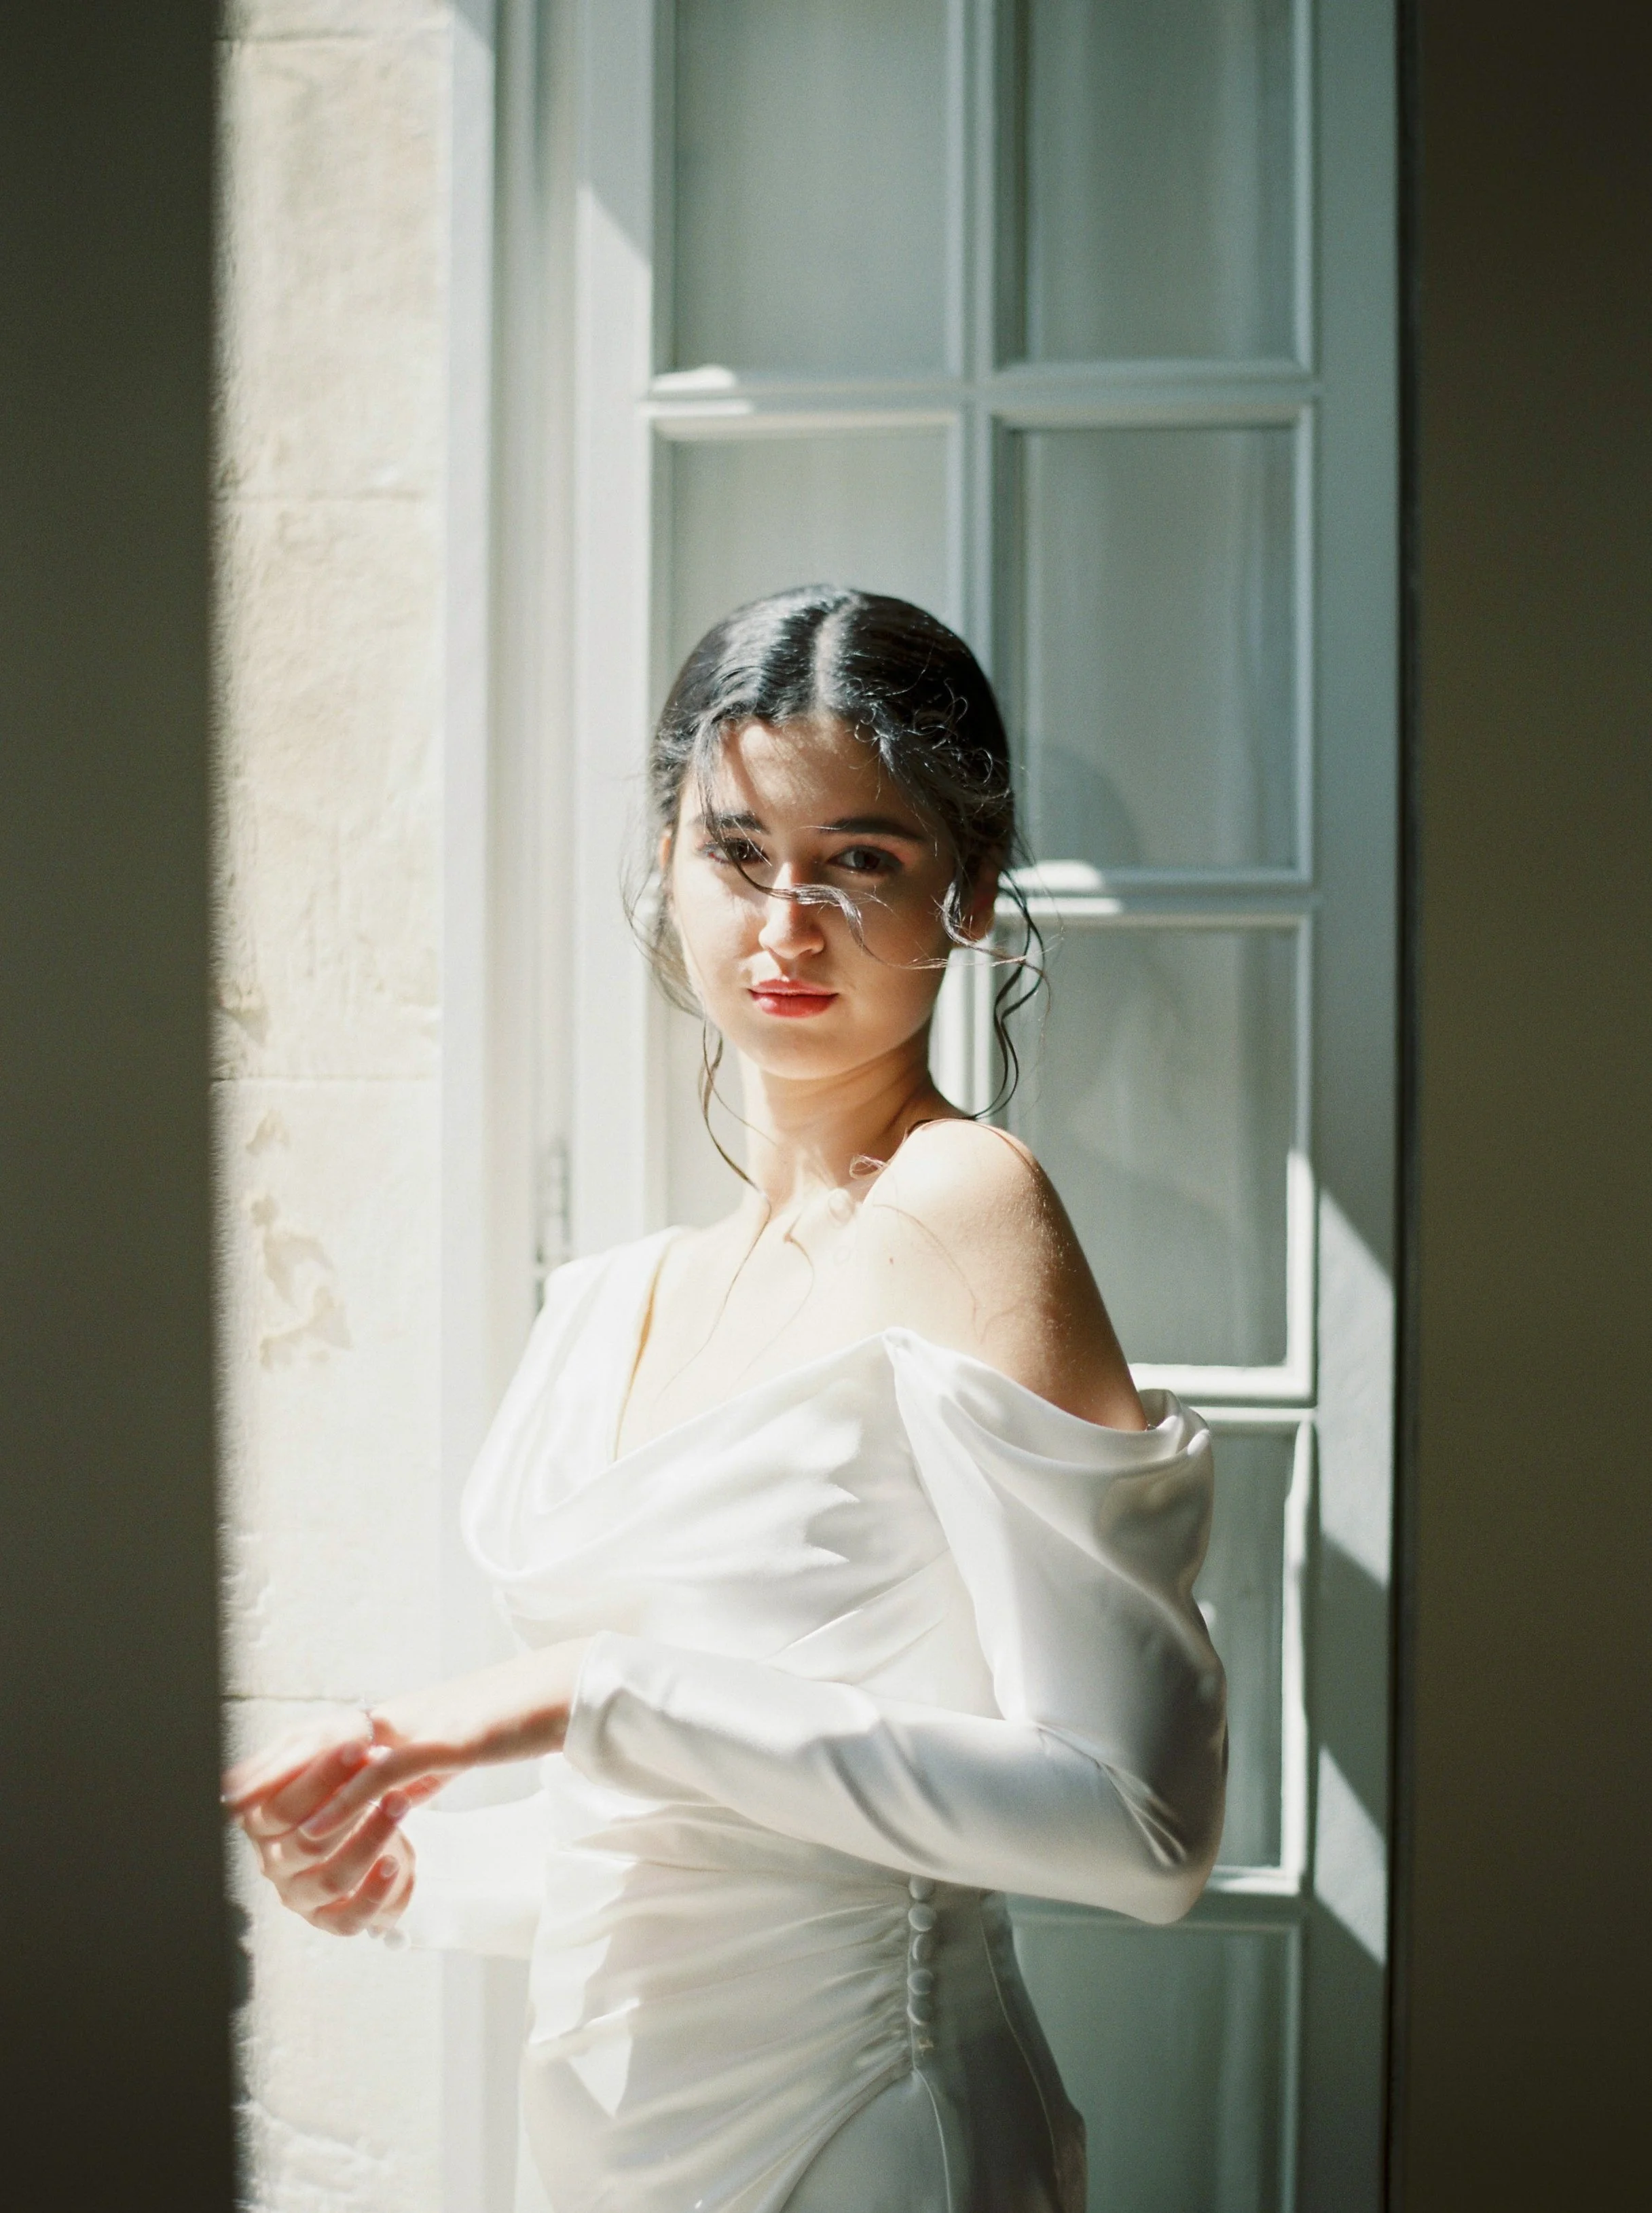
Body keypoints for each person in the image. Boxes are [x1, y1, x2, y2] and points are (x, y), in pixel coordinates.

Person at [224, 587, 1228, 2213]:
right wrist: (408, 1872)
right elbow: (673, 1837)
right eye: (739, 851)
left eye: (862, 860)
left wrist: (597, 1691)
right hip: (611, 2143)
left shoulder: (966, 1202)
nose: (782, 926)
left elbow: (1140, 1828)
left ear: (968, 891)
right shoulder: (613, 1298)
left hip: (868, 2133)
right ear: (668, 864)